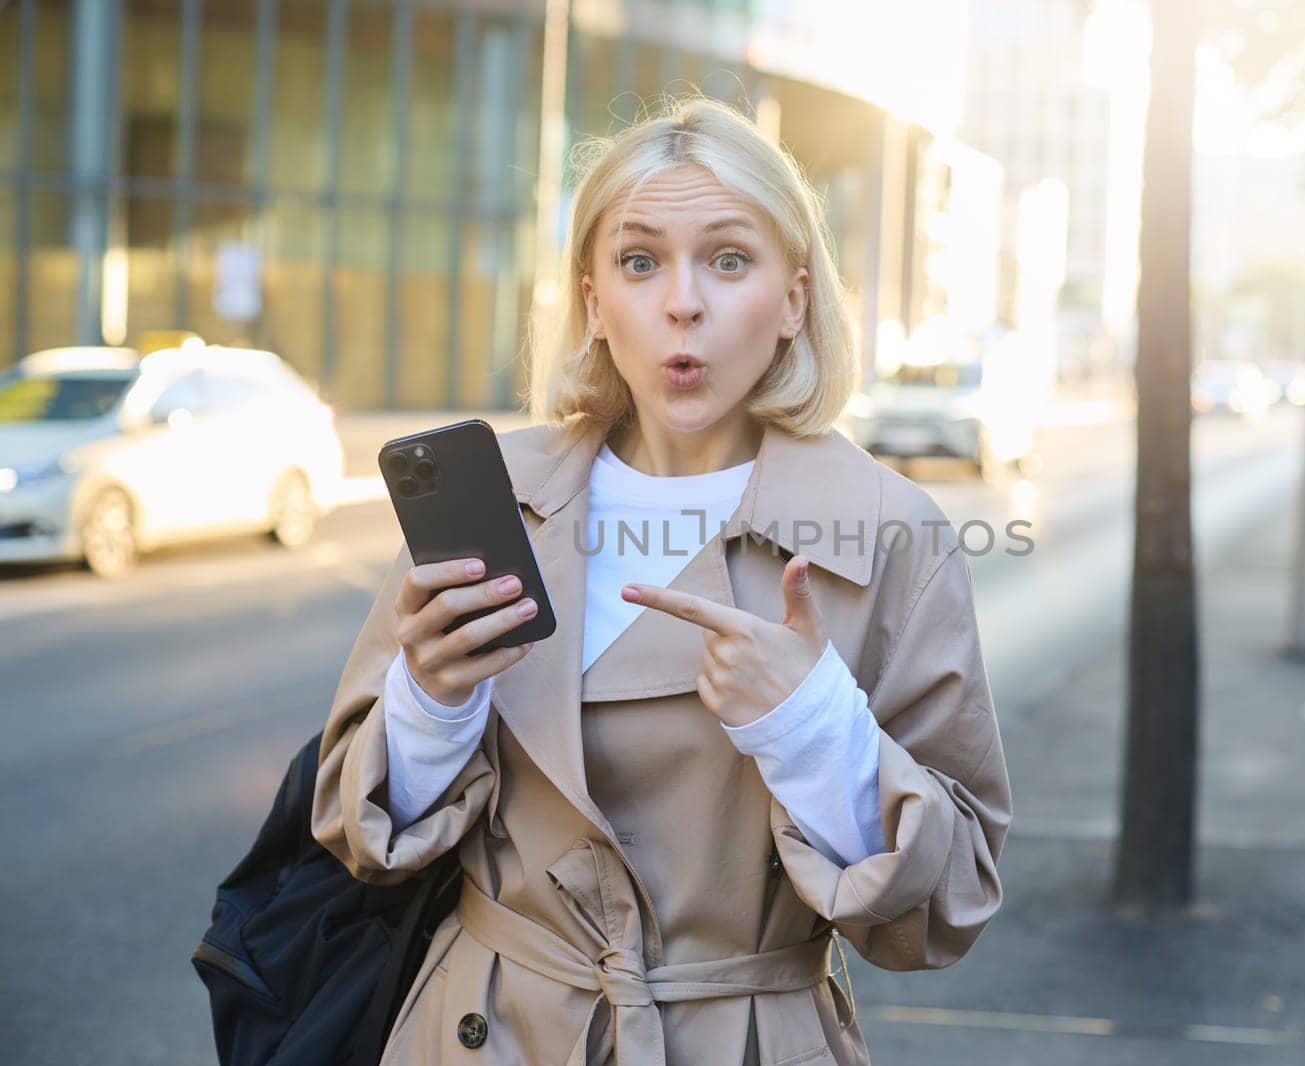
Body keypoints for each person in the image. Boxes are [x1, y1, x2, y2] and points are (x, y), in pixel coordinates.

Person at [312, 95, 1011, 1066]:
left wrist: (814, 728)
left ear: (796, 299)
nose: (683, 301)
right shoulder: (493, 498)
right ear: (594, 301)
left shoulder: (890, 531)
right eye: (640, 262)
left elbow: (945, 909)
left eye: (729, 259)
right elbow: (357, 829)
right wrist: (431, 703)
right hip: (482, 1031)